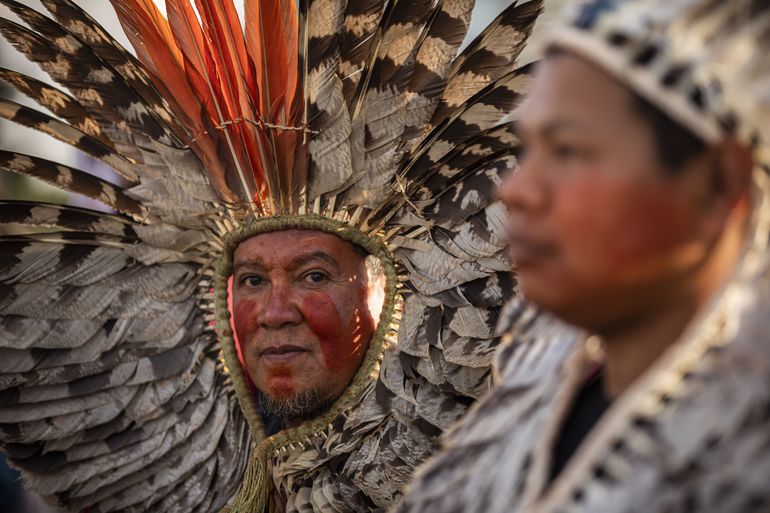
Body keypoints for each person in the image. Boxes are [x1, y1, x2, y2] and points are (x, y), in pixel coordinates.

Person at [0, 0, 543, 511]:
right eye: (253, 281)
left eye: (313, 276)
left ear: (382, 291)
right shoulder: (198, 448)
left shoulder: (510, 451)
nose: (275, 313)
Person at [394, 1, 770, 512]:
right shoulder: (529, 392)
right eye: (529, 150)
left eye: (568, 150)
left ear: (719, 185)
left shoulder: (746, 452)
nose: (516, 191)